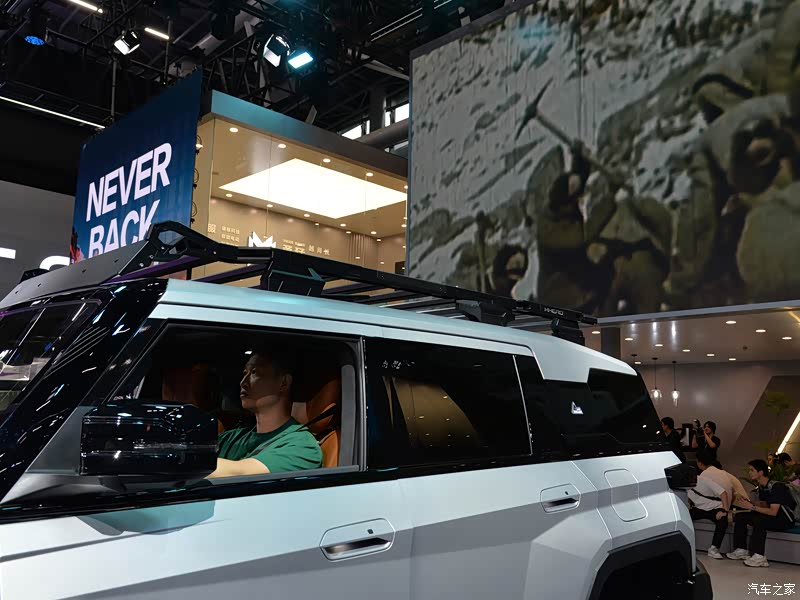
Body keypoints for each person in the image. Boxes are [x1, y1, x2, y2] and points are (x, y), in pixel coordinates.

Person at [208, 348, 322, 478]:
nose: (243, 382)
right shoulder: (232, 438)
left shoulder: (302, 447)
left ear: (284, 383)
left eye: (254, 372)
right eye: (245, 373)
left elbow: (240, 474)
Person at [726, 459, 797, 567]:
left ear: (761, 472)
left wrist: (752, 507)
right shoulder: (762, 488)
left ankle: (759, 556)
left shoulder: (777, 487)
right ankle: (741, 550)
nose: (749, 472)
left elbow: (773, 512)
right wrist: (749, 503)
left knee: (759, 521)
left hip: (785, 520)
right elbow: (765, 505)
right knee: (741, 517)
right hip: (773, 516)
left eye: (752, 470)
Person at [688, 450, 732, 559]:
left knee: (722, 520)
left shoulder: (703, 480)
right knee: (685, 516)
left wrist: (724, 510)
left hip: (714, 508)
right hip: (699, 509)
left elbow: (723, 493)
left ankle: (714, 548)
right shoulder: (684, 485)